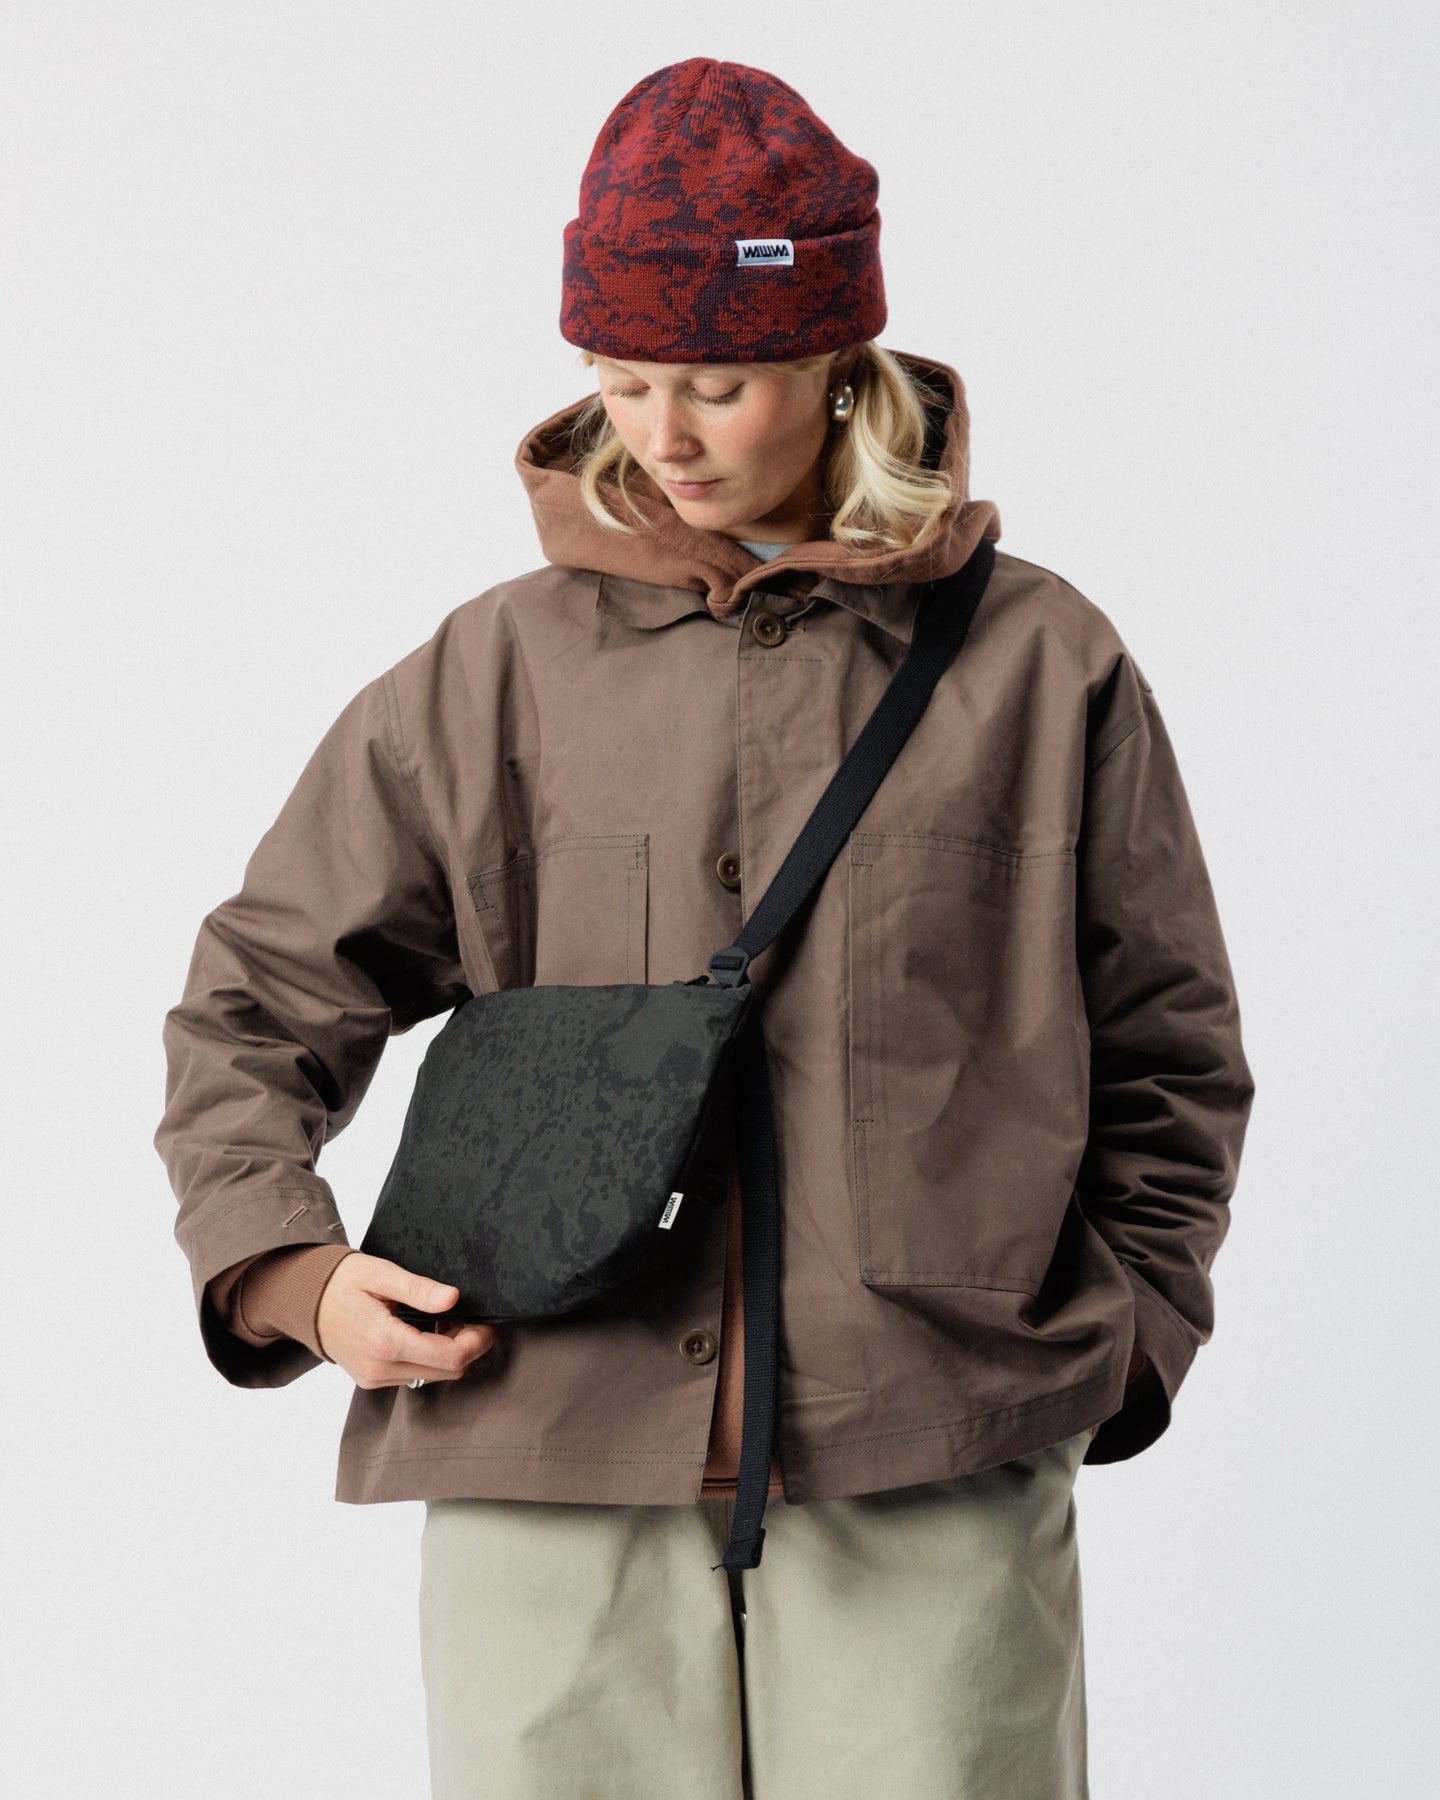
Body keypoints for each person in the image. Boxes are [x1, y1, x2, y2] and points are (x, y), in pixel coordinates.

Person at [155, 55, 1254, 1800]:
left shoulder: (1043, 667)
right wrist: (296, 1274)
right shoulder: (490, 675)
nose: (660, 438)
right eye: (622, 382)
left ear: (837, 364)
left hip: (930, 1447)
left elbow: (1169, 1048)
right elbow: (254, 1002)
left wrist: (1120, 1342)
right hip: (542, 1432)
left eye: (719, 386)